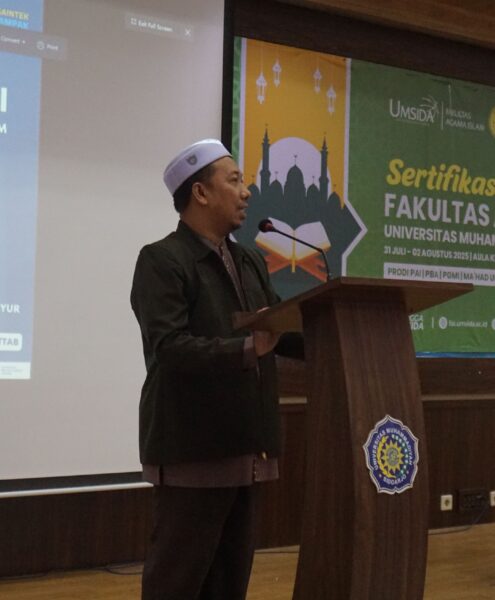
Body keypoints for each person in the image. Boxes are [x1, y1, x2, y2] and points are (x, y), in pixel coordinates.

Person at [131, 139, 303, 600]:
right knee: (177, 584)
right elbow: (169, 349)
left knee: (229, 586)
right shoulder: (162, 260)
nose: (246, 192)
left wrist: (338, 333)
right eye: (234, 180)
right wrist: (247, 349)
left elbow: (275, 327)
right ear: (200, 193)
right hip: (194, 450)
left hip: (247, 447)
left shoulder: (248, 259)